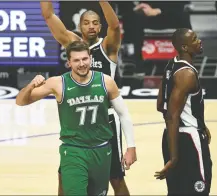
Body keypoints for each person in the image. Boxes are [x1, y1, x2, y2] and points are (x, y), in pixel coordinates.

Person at [16, 41, 136, 195]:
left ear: (91, 59)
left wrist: (131, 147)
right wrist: (31, 85)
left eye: (85, 59)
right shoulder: (58, 83)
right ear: (69, 63)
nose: (81, 64)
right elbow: (20, 101)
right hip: (73, 151)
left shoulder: (106, 81)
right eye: (76, 60)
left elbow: (124, 114)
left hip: (102, 150)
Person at [40, 2, 136, 195]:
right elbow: (49, 16)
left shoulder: (108, 46)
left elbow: (115, 26)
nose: (91, 26)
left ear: (100, 27)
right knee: (64, 177)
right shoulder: (73, 45)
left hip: (105, 119)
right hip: (77, 119)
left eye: (95, 23)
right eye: (86, 23)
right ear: (80, 26)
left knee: (115, 178)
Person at [154, 28, 212, 195]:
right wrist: (174, 157)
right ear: (185, 47)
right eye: (194, 39)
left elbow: (160, 105)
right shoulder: (186, 74)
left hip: (170, 138)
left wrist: (200, 123)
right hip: (188, 141)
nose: (199, 41)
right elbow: (172, 115)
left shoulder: (171, 64)